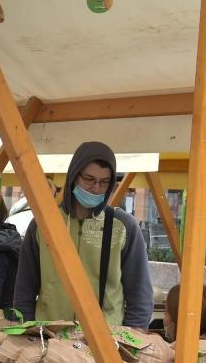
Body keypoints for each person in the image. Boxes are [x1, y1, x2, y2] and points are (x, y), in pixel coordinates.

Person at [12, 140, 151, 327]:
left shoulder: (124, 227)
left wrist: (131, 338)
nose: (96, 188)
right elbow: (24, 289)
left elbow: (140, 295)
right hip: (51, 338)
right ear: (74, 177)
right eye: (89, 179)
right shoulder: (43, 225)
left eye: (104, 182)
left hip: (107, 341)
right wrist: (26, 331)